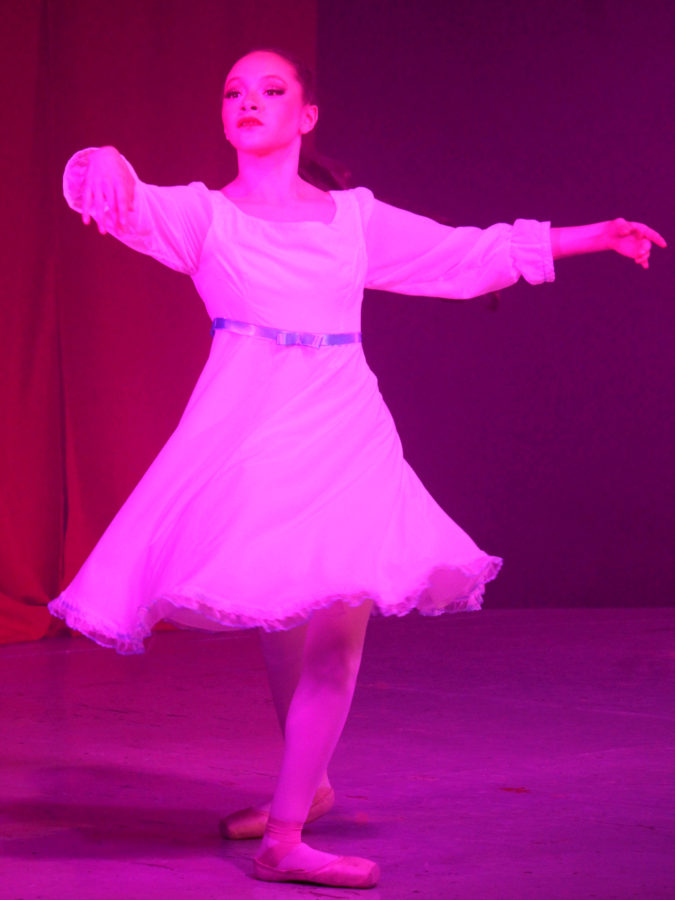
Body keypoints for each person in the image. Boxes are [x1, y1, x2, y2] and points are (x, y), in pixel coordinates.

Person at [48, 47, 666, 889]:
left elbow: (461, 255)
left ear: (305, 116)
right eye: (233, 92)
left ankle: (285, 837)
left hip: (342, 433)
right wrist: (101, 167)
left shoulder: (352, 220)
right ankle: (309, 784)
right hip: (252, 438)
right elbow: (131, 201)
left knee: (335, 634)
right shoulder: (206, 216)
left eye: (271, 90)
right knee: (280, 621)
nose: (248, 101)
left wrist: (592, 235)